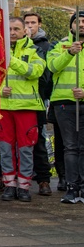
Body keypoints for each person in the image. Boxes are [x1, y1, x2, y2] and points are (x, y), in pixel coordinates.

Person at [0, 17, 45, 202]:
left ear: (24, 31)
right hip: (3, 107)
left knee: (26, 149)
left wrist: (12, 61)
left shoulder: (34, 50)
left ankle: (24, 186)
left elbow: (35, 72)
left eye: (16, 29)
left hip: (26, 107)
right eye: (9, 29)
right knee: (5, 148)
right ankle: (9, 185)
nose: (12, 32)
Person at [46, 11, 84, 204]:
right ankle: (71, 187)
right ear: (71, 26)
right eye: (78, 21)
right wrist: (70, 53)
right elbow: (52, 67)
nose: (82, 25)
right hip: (64, 103)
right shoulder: (58, 45)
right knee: (70, 147)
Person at [24, 11, 57, 195]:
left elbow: (46, 76)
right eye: (26, 23)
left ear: (39, 24)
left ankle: (44, 179)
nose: (29, 26)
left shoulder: (45, 46)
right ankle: (6, 176)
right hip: (16, 101)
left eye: (33, 23)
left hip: (38, 99)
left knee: (39, 141)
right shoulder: (13, 47)